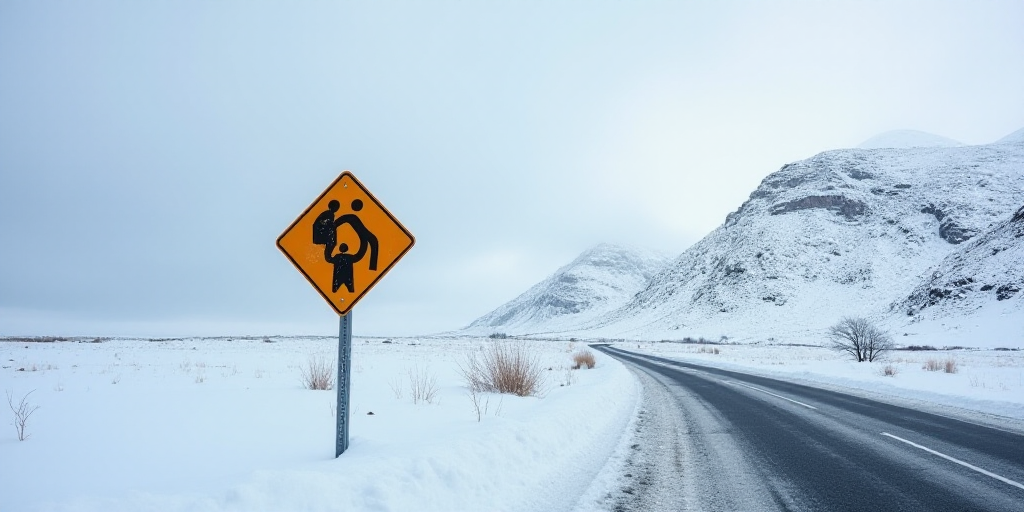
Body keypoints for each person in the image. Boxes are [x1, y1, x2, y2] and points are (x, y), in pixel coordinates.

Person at [334, 199, 379, 271]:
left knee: (373, 241)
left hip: (366, 237)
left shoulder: (352, 218)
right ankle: (372, 268)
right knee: (372, 241)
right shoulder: (351, 217)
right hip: (364, 237)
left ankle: (372, 268)